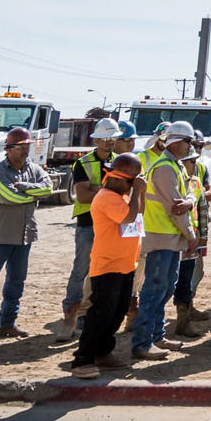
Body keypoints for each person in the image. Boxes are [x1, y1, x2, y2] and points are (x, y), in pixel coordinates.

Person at [0, 126, 54, 344]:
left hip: (25, 235)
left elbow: (49, 189)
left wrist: (24, 187)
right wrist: (31, 195)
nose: (25, 151)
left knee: (16, 282)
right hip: (0, 236)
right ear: (8, 148)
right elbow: (9, 197)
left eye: (27, 146)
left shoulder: (33, 169)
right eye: (21, 147)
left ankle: (6, 324)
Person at [70, 151, 146, 378]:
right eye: (132, 181)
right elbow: (128, 218)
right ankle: (82, 359)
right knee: (100, 314)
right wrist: (137, 191)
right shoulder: (105, 197)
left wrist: (135, 192)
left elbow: (138, 211)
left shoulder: (122, 195)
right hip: (108, 266)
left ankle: (103, 352)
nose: (134, 185)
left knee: (117, 312)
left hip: (124, 265)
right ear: (118, 178)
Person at [133, 121, 200, 361]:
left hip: (170, 237)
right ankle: (142, 342)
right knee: (154, 289)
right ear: (176, 142)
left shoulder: (177, 166)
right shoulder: (164, 169)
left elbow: (190, 192)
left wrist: (190, 201)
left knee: (165, 287)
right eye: (188, 141)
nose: (191, 146)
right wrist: (191, 236)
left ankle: (156, 335)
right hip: (161, 235)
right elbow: (176, 209)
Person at [55, 118, 123, 341]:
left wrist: (97, 189)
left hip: (112, 224)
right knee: (81, 270)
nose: (110, 142)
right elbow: (83, 195)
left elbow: (124, 191)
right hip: (88, 223)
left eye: (113, 138)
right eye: (105, 138)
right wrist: (108, 190)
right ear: (96, 139)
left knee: (103, 271)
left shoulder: (119, 162)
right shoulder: (82, 163)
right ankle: (70, 316)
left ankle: (89, 315)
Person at [171, 143, 211, 338]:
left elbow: (202, 211)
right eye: (191, 161)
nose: (194, 165)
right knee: (165, 280)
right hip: (173, 239)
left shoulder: (195, 182)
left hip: (191, 240)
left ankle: (183, 320)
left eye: (195, 161)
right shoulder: (172, 180)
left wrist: (202, 237)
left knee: (187, 279)